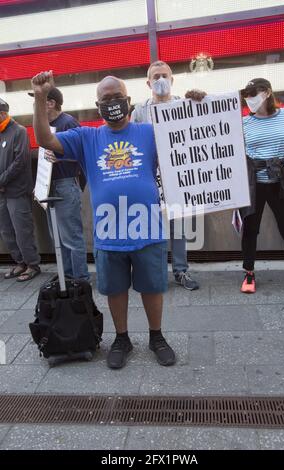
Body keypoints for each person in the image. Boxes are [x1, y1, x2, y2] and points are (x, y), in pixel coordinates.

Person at [31, 70, 176, 370]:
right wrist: (41, 98)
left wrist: (198, 104)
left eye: (117, 98)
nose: (112, 103)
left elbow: (186, 141)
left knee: (152, 287)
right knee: (115, 289)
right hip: (109, 231)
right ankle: (121, 338)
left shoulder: (150, 132)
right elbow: (45, 138)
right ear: (98, 106)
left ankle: (156, 336)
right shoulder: (87, 137)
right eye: (105, 99)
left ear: (129, 101)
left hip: (146, 227)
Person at [131, 60, 203, 291]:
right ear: (148, 82)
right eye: (156, 76)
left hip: (176, 177)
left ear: (172, 80)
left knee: (179, 227)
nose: (160, 80)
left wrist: (202, 101)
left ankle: (181, 271)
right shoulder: (140, 111)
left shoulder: (184, 105)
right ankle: (156, 272)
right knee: (153, 227)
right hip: (150, 179)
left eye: (164, 75)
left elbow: (204, 128)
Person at [240, 77, 284, 293]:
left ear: (266, 93)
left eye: (253, 93)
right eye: (246, 95)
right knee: (250, 229)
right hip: (254, 183)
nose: (249, 99)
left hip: (281, 180)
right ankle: (249, 272)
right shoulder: (244, 122)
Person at [28, 87, 89, 281]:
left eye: (39, 100)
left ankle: (80, 279)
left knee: (71, 237)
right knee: (58, 237)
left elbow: (84, 154)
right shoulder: (44, 125)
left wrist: (62, 158)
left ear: (51, 103)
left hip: (65, 185)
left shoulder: (68, 122)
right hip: (49, 186)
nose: (35, 105)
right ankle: (67, 275)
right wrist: (39, 184)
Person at [0, 98, 41, 281]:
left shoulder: (19, 131)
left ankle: (32, 264)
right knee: (7, 231)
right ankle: (20, 262)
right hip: (2, 192)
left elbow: (20, 162)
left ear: (2, 114)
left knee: (22, 229)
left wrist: (2, 180)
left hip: (17, 191)